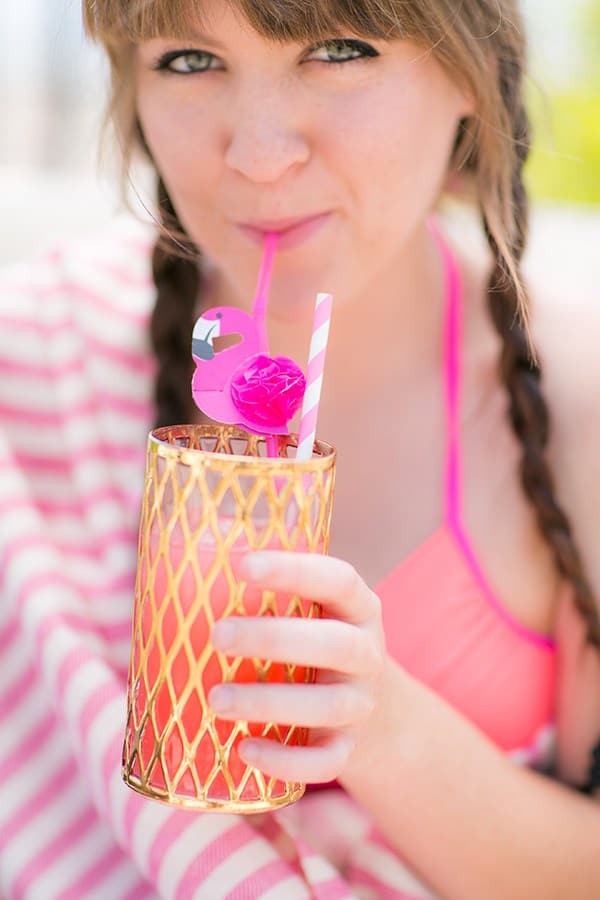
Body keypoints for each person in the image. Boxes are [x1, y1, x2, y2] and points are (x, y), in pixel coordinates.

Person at [1, 1, 599, 897]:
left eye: (340, 50)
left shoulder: (576, 405)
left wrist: (381, 727)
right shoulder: (35, 355)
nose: (259, 154)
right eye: (189, 61)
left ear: (473, 72)